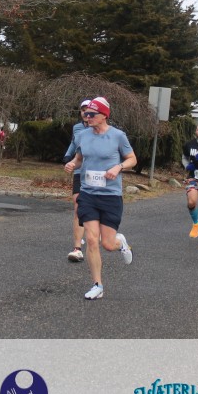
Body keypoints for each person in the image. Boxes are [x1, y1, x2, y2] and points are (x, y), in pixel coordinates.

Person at [63, 97, 135, 300]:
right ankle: (97, 285)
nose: (87, 117)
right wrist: (72, 164)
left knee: (108, 244)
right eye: (86, 114)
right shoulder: (82, 135)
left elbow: (132, 159)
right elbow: (79, 159)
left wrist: (118, 167)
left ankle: (121, 243)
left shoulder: (118, 136)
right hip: (88, 194)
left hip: (110, 195)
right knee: (92, 240)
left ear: (104, 115)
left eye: (92, 114)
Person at [63, 99, 92, 262]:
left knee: (94, 209)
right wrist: (68, 157)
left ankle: (97, 233)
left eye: (89, 110)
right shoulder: (77, 128)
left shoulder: (103, 130)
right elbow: (74, 144)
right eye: (83, 110)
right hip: (80, 171)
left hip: (96, 174)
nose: (86, 113)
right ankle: (77, 248)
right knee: (77, 206)